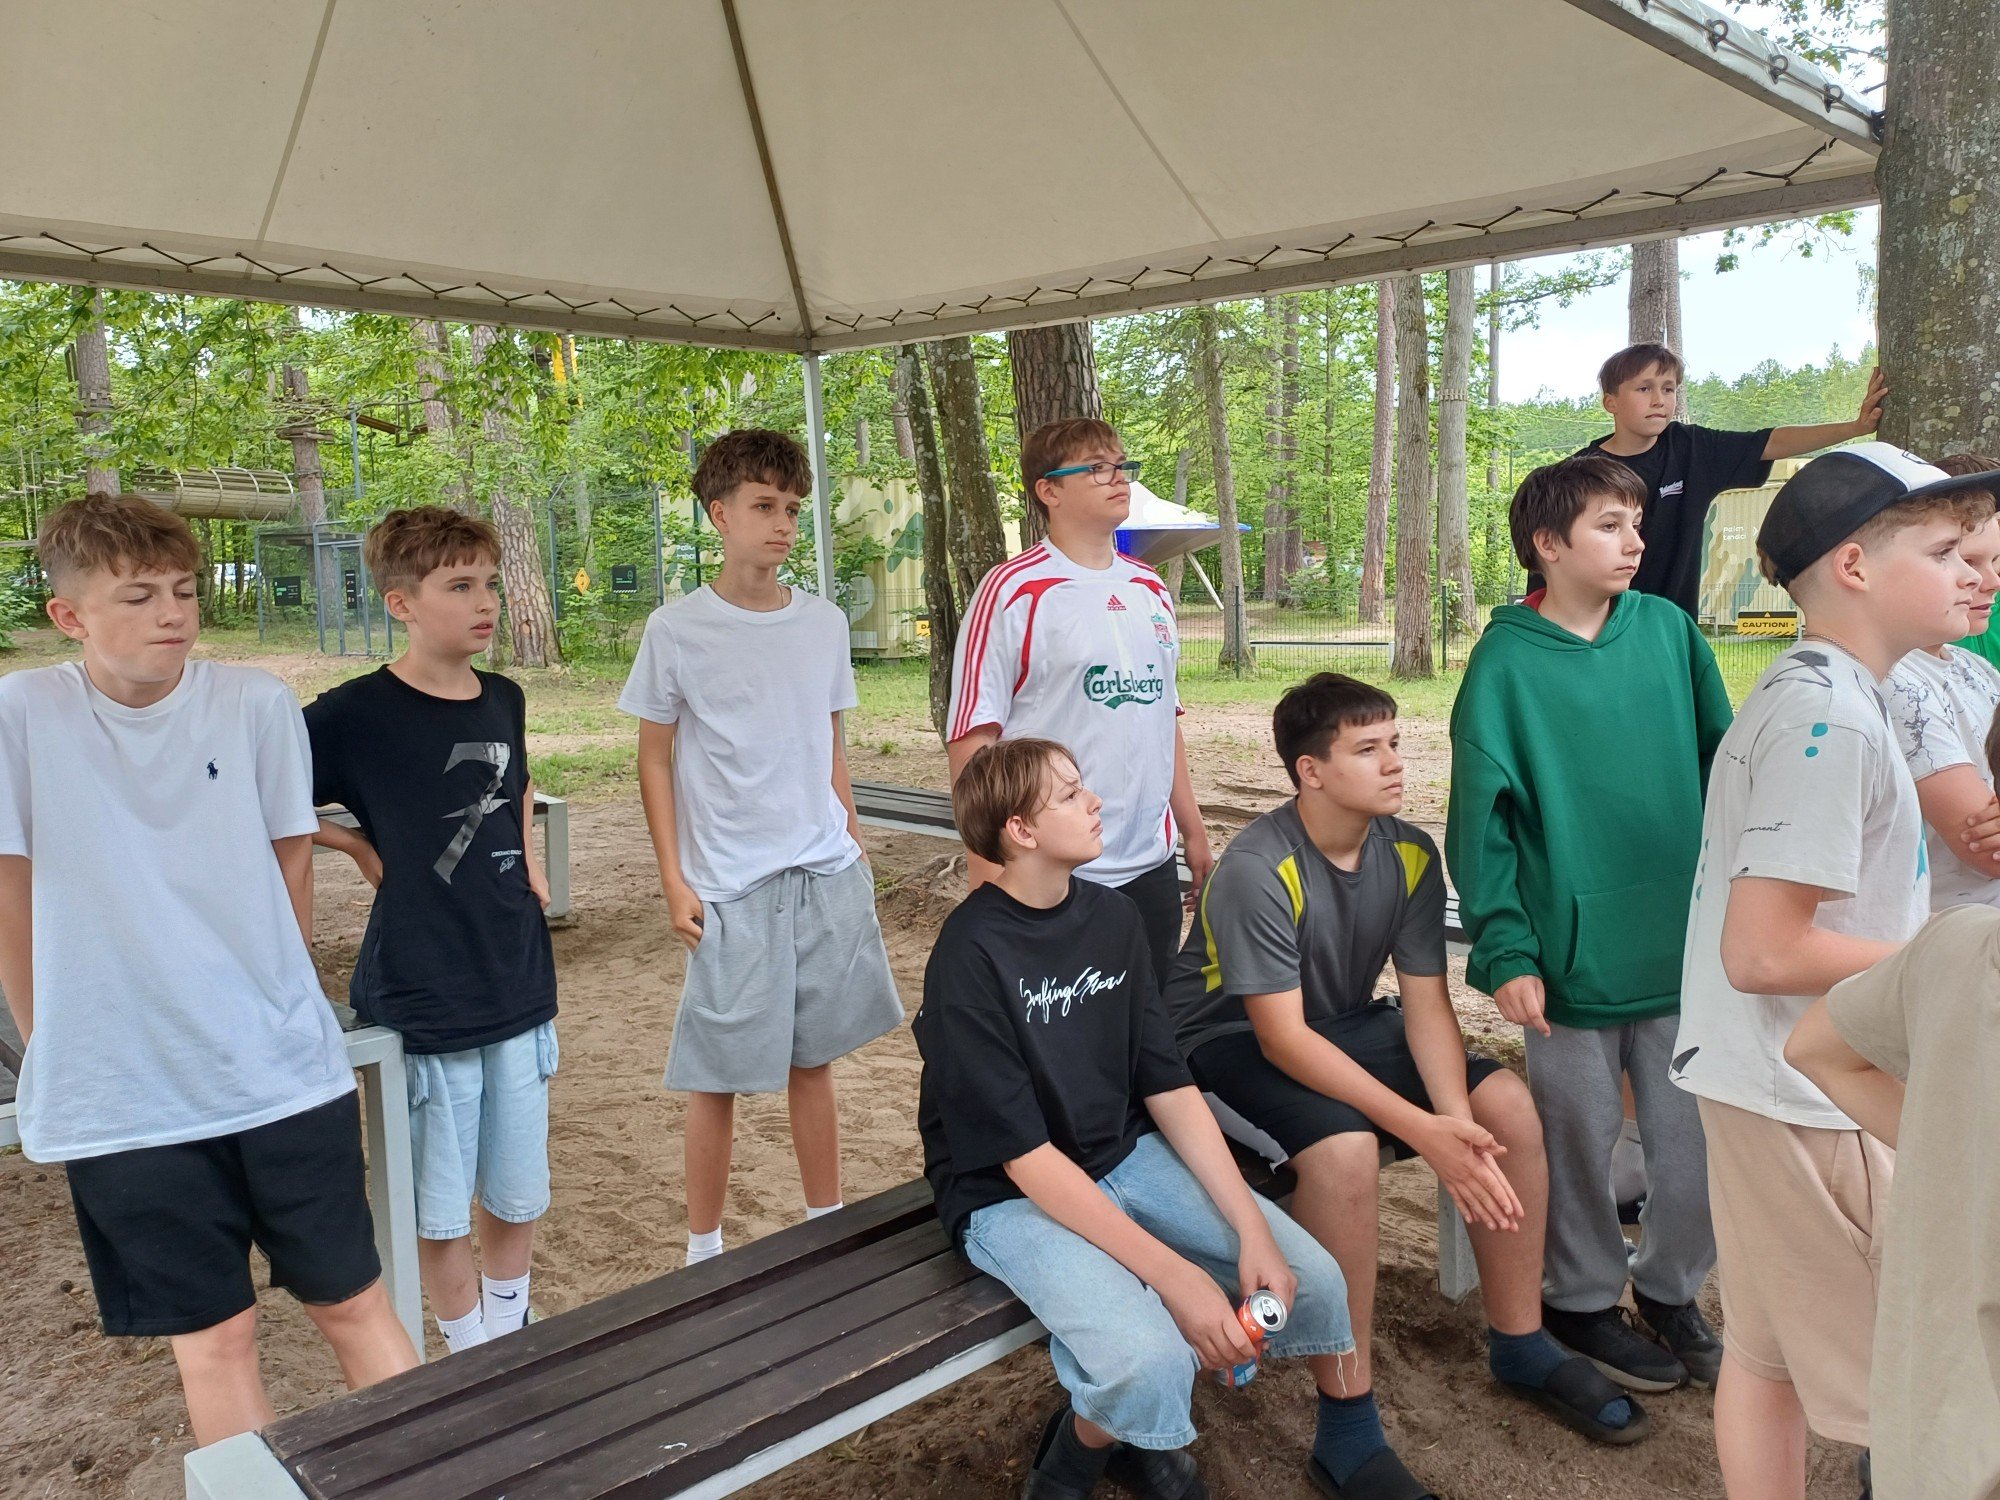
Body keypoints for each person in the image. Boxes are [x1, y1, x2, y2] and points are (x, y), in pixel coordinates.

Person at [0, 496, 418, 1445]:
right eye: (139, 595)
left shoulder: (254, 703)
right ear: (69, 616)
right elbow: (10, 893)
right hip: (123, 1095)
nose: (172, 614)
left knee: (352, 1301)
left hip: (278, 1070)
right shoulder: (23, 712)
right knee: (216, 1338)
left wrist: (277, 1001)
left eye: (184, 591)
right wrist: (47, 1041)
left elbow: (291, 866)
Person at [1166, 672, 1648, 1476]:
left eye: (1394, 742)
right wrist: (1422, 1131)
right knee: (1345, 1152)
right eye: (1368, 749)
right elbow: (1282, 1040)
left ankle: (1521, 1341)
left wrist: (1452, 1121)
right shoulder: (1257, 866)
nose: (1395, 762)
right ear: (1310, 772)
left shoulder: (1410, 852)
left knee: (1506, 1107)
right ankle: (1347, 1422)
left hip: (1340, 1023)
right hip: (1224, 1044)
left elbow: (1425, 1005)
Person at [917, 736, 1371, 1500]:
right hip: (1008, 1191)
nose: (1094, 801)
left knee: (1313, 1279)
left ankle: (1111, 1433)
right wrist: (1174, 1276)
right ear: (1020, 831)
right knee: (1151, 1358)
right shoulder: (969, 952)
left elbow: (1168, 1085)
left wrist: (1253, 1230)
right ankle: (1069, 1464)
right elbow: (1025, 1157)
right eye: (1069, 794)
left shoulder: (1114, 918)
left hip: (1119, 1151)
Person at [1671, 443, 1999, 1498]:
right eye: (1943, 552)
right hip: (1804, 1094)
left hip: (1763, 1079)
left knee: (1764, 1354)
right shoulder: (1829, 720)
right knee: (1901, 1384)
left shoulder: (1828, 694)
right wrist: (1946, 967)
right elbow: (1764, 950)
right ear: (1853, 567)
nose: (1973, 572)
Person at [1448, 455, 1733, 1391]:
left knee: (1695, 1149)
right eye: (1610, 525)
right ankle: (1579, 1298)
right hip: (1567, 967)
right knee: (1577, 1140)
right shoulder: (1504, 665)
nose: (1635, 541)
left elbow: (1724, 763)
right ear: (1548, 544)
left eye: (1636, 523)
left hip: (1684, 948)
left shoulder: (1669, 631)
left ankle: (1671, 1288)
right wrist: (1507, 949)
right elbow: (1481, 826)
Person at [620, 429, 902, 1267]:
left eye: (792, 509)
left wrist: (852, 836)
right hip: (731, 883)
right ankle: (702, 1249)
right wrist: (674, 880)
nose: (782, 524)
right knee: (716, 1073)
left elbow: (830, 740)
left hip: (823, 869)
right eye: (764, 506)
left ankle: (826, 1222)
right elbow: (654, 758)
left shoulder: (824, 622)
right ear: (720, 514)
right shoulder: (676, 629)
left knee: (813, 1061)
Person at [306, 507, 558, 1354]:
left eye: (490, 583)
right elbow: (260, 792)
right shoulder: (355, 714)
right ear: (401, 603)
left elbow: (518, 784)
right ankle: (467, 1347)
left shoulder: (506, 696)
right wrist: (354, 846)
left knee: (517, 1182)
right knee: (440, 1198)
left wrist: (531, 864)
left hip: (517, 978)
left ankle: (510, 1324)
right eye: (459, 586)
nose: (485, 602)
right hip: (423, 988)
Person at [945, 418, 1212, 984]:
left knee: (1148, 1025)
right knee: (1064, 1031)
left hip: (1150, 865)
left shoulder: (1150, 587)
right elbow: (973, 739)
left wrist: (1192, 832)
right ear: (1049, 490)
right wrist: (989, 878)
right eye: (1096, 468)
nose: (1119, 478)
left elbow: (1163, 717)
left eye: (1121, 465)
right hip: (1053, 872)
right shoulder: (1011, 590)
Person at [1786, 856, 2000, 1500]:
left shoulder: (1959, 944)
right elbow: (1759, 957)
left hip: (1931, 1438)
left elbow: (1812, 1046)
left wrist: (1953, 1151)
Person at [1560, 343, 1887, 616]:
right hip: (1599, 628)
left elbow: (1770, 442)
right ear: (1611, 402)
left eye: (1668, 388)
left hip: (1676, 628)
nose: (1659, 399)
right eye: (1644, 388)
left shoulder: (1691, 447)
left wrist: (1855, 427)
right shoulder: (1577, 475)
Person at [1883, 455, 2000, 910]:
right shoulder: (1898, 681)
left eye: (1997, 560)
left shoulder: (1975, 669)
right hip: (1958, 934)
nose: (1989, 580)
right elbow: (1986, 851)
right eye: (1965, 559)